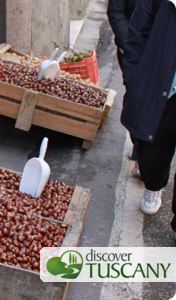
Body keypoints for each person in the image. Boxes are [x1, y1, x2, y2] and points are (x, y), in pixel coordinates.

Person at [121, 0, 176, 240]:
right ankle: (154, 185)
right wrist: (135, 80)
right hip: (162, 88)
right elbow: (136, 35)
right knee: (153, 153)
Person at [107, 0, 140, 175]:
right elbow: (116, 10)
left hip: (163, 53)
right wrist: (129, 46)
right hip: (131, 51)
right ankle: (139, 147)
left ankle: (147, 158)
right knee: (135, 97)